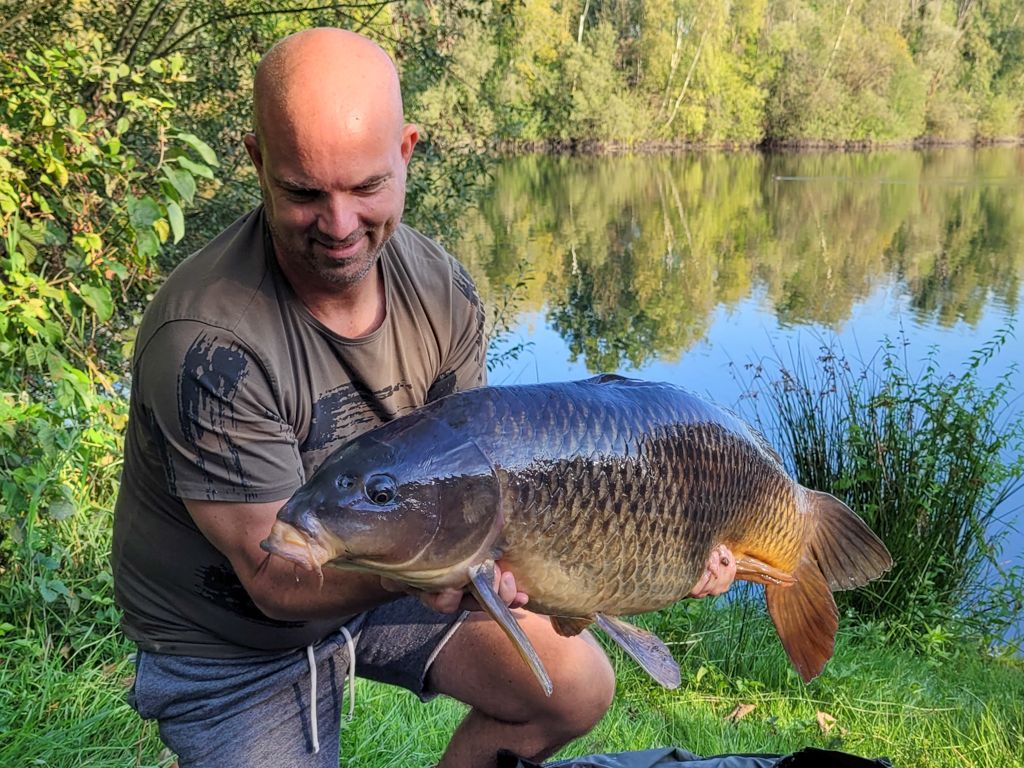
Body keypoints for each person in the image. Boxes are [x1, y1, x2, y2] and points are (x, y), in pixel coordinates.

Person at [111, 27, 736, 768]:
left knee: (572, 689)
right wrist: (441, 572)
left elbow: (476, 484)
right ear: (257, 161)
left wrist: (626, 558)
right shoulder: (207, 342)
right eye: (304, 192)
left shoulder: (442, 291)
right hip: (229, 637)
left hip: (388, 560)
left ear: (406, 152)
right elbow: (276, 579)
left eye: (367, 187)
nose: (340, 227)